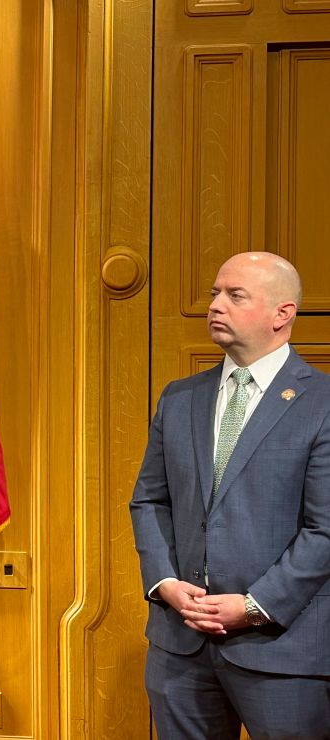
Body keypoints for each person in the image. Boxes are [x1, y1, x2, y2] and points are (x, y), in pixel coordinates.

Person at [129, 252, 330, 739]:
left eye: (234, 295)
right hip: (180, 650)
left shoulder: (321, 403)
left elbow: (324, 528)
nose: (215, 304)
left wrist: (255, 604)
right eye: (216, 292)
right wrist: (164, 583)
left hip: (282, 651)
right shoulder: (179, 397)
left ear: (283, 314)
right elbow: (150, 501)